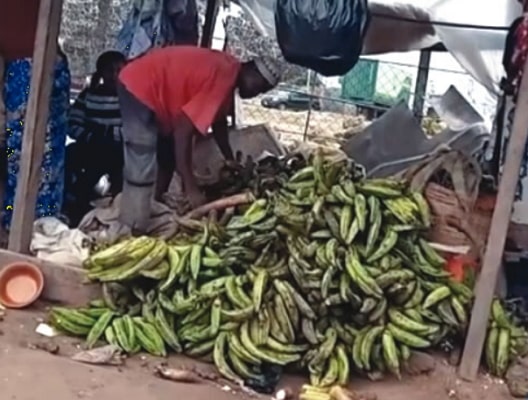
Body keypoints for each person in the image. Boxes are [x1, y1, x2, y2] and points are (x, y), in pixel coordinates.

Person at [116, 46, 281, 233]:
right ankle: (133, 226)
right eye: (259, 87)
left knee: (167, 156)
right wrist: (190, 186)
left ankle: (155, 204)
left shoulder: (229, 71)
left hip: (155, 92)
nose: (256, 93)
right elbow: (182, 132)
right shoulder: (224, 76)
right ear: (251, 71)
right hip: (138, 86)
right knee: (141, 156)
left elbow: (219, 123)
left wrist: (229, 158)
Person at [0, 1, 70, 230]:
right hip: (34, 65)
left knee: (29, 152)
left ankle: (33, 222)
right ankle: (28, 218)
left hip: (32, 67)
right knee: (26, 152)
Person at [63, 51, 126, 225]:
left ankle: (115, 209)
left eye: (119, 70)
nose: (114, 76)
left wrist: (107, 134)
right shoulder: (88, 95)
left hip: (119, 150)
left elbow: (135, 129)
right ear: (101, 72)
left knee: (111, 161)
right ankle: (73, 205)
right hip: (92, 146)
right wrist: (92, 136)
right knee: (68, 155)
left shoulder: (129, 98)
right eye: (109, 70)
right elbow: (73, 124)